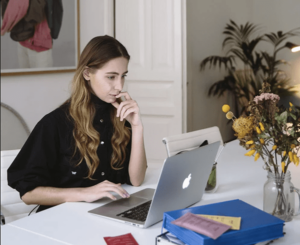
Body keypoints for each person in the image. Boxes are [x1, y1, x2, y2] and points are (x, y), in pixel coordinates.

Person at [7, 35, 148, 213]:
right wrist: (83, 193)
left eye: (123, 76)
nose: (119, 86)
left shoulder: (121, 117)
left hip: (109, 213)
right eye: (111, 77)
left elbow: (136, 180)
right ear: (87, 73)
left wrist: (137, 127)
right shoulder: (55, 123)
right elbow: (28, 194)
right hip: (61, 220)